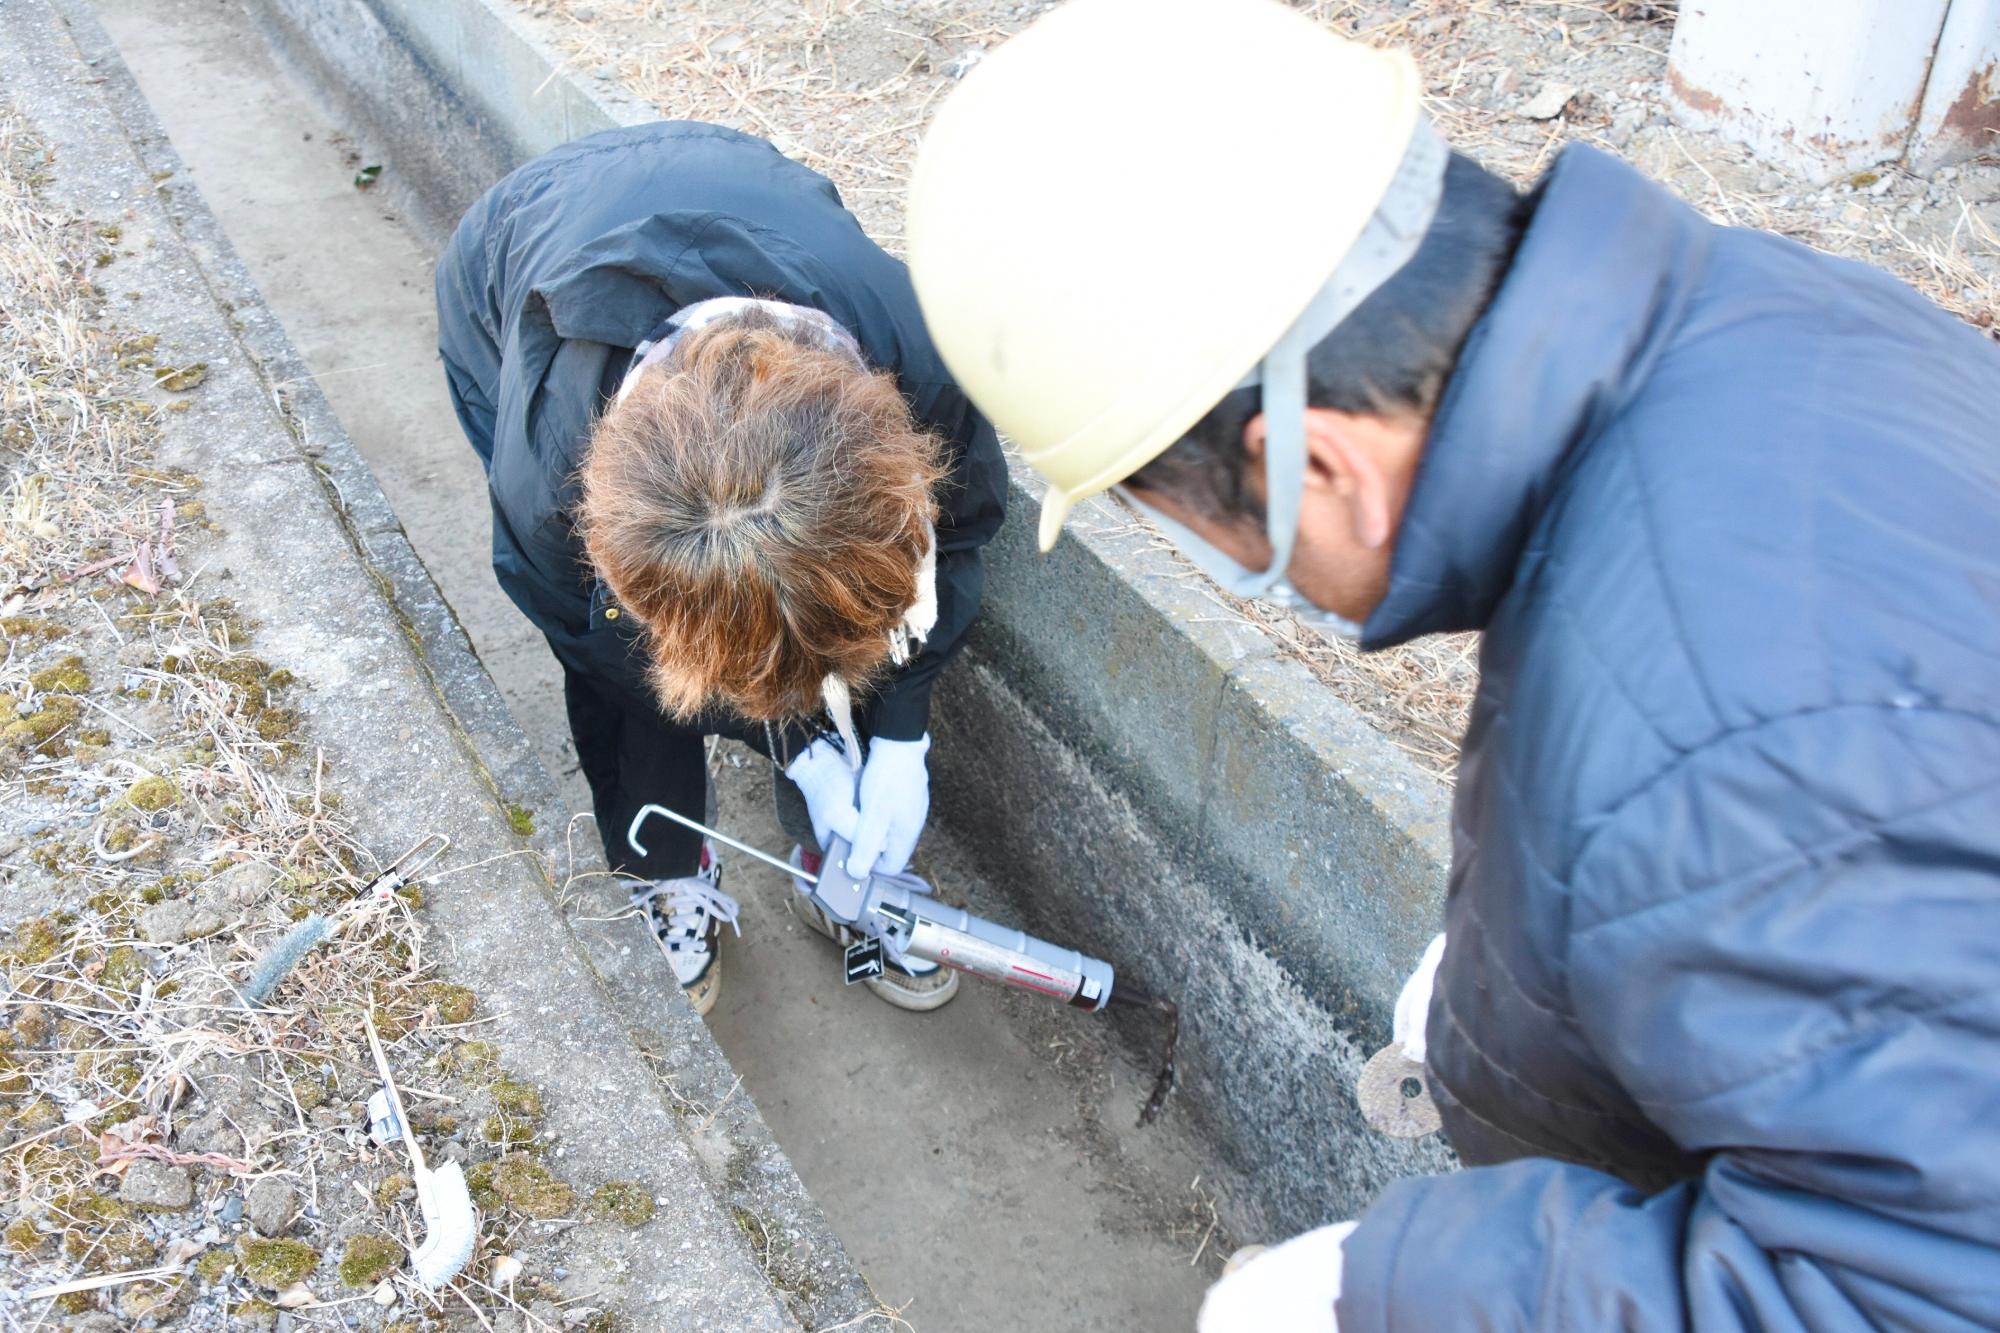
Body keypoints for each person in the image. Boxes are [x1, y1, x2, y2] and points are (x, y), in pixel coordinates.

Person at [905, 0, 2000, 1328]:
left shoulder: (1718, 738)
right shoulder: (1771, 326)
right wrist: (1521, 976)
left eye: (1174, 521)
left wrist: (1402, 1289)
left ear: (1315, 466)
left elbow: (1917, 1293)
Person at [436, 122, 1006, 1017]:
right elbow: (594, 638)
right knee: (630, 674)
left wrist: (902, 729)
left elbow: (957, 536)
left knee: (821, 621)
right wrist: (806, 742)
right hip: (517, 261)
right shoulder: (547, 473)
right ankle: (665, 865)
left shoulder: (922, 364)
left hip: (741, 185)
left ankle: (836, 859)